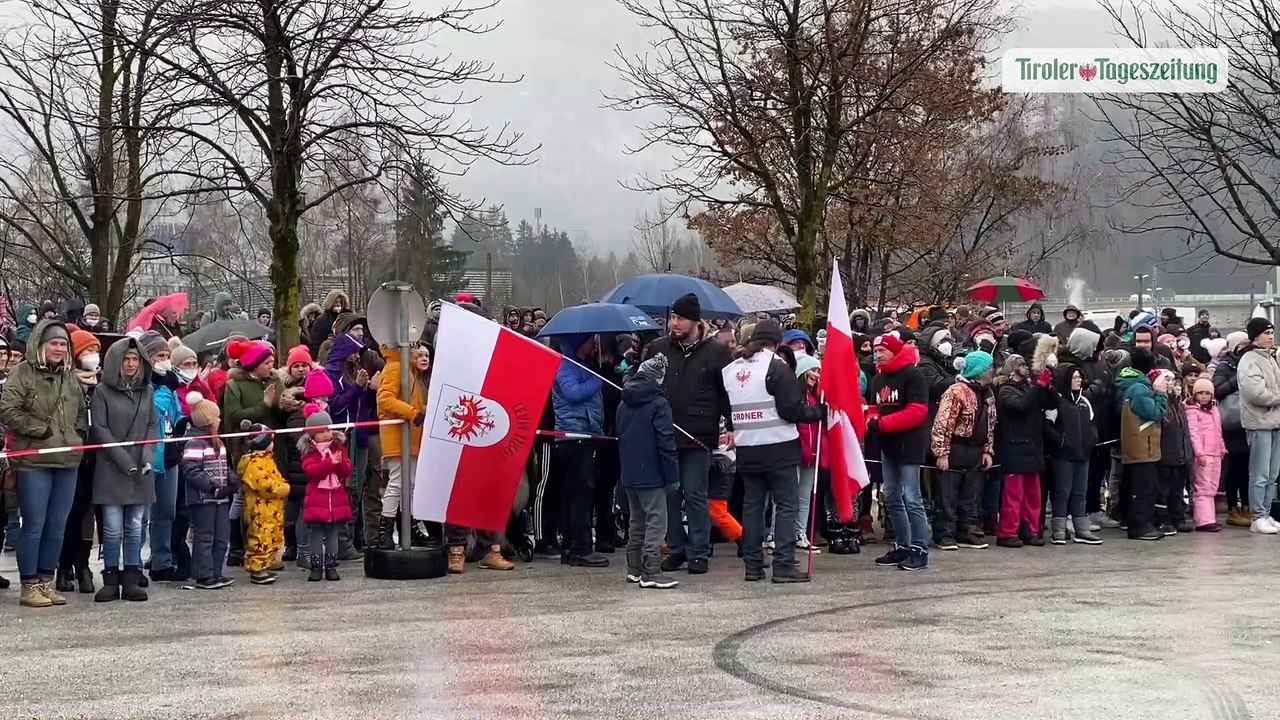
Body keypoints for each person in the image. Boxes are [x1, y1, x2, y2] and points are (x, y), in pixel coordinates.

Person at [723, 321, 825, 583]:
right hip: (779, 447)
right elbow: (792, 411)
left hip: (748, 448)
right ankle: (783, 566)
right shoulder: (777, 367)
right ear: (777, 342)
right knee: (787, 506)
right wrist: (819, 412)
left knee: (753, 507)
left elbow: (730, 410)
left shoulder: (731, 370)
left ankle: (753, 566)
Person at [642, 293, 734, 575]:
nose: (675, 323)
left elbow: (727, 392)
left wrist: (731, 424)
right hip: (664, 433)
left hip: (698, 434)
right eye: (672, 317)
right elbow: (642, 382)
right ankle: (677, 547)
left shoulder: (716, 352)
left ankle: (699, 551)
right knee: (670, 493)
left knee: (695, 493)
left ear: (695, 321)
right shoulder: (658, 347)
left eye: (680, 318)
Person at [0, 320, 87, 607]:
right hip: (34, 461)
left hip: (67, 459)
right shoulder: (21, 373)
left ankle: (46, 580)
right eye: (54, 343)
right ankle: (29, 584)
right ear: (41, 344)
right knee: (34, 524)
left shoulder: (70, 378)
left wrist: (77, 435)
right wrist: (39, 430)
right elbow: (8, 410)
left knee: (57, 524)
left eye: (63, 344)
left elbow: (80, 412)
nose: (60, 348)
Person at [89, 337, 158, 603]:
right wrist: (124, 460)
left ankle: (131, 576)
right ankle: (109, 578)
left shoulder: (147, 391)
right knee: (112, 528)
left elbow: (153, 426)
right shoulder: (102, 392)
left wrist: (147, 455)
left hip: (142, 467)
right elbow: (100, 430)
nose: (131, 364)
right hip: (111, 468)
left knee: (135, 526)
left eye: (135, 360)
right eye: (126, 359)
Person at [615, 353, 680, 589]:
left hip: (629, 472)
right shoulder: (659, 404)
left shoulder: (623, 403)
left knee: (637, 521)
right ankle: (652, 570)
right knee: (656, 520)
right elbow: (666, 441)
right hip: (652, 472)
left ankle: (633, 568)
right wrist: (672, 476)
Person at [869, 330, 931, 570]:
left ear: (894, 350)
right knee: (892, 496)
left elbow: (917, 412)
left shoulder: (913, 375)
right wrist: (871, 418)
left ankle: (919, 548)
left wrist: (882, 423)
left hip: (909, 445)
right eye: (876, 352)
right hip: (888, 445)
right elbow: (877, 406)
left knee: (912, 497)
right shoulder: (878, 379)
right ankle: (902, 545)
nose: (878, 355)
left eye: (882, 351)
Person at [552, 333, 609, 568]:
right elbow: (572, 393)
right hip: (575, 435)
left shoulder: (583, 364)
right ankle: (580, 547)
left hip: (585, 433)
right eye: (590, 340)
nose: (594, 344)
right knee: (580, 494)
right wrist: (597, 380)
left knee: (576, 493)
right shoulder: (567, 365)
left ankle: (571, 545)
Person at [929, 351, 996, 551]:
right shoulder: (956, 391)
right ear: (979, 371)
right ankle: (944, 533)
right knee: (947, 494)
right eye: (989, 368)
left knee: (971, 494)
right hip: (956, 447)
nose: (992, 371)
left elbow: (990, 424)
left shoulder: (988, 393)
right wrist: (942, 453)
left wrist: (988, 450)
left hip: (976, 449)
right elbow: (943, 423)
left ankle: (967, 531)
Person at [136, 330, 188, 581]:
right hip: (147, 456)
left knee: (166, 512)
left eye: (167, 355)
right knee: (140, 515)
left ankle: (162, 562)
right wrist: (167, 390)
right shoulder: (142, 386)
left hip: (169, 454)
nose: (165, 360)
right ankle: (133, 563)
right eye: (159, 355)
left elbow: (174, 411)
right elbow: (154, 410)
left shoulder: (170, 381)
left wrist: (182, 422)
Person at [55, 329, 102, 595]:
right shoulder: (66, 382)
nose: (92, 357)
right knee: (68, 513)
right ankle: (64, 566)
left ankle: (83, 564)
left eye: (94, 351)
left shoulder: (100, 384)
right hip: (71, 455)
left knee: (86, 514)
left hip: (94, 459)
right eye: (86, 352)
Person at [994, 350, 1056, 548]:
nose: (1025, 368)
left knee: (1033, 495)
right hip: (1015, 447)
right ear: (1012, 369)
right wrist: (1039, 387)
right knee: (1014, 495)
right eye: (1021, 365)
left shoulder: (1029, 388)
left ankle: (1030, 530)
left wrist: (1047, 386)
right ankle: (1007, 532)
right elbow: (1021, 406)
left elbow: (1053, 403)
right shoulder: (1006, 390)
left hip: (1033, 447)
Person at [375, 341, 429, 549]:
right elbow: (385, 399)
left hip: (410, 436)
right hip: (397, 436)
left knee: (412, 484)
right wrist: (413, 413)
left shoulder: (408, 371)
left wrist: (423, 410)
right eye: (415, 349)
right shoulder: (395, 368)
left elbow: (411, 403)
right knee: (396, 483)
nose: (419, 354)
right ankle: (385, 531)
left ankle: (411, 528)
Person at [181, 393, 236, 589]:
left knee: (221, 535)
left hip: (220, 499)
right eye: (217, 418)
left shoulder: (219, 443)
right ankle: (204, 574)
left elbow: (224, 466)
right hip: (203, 499)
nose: (220, 421)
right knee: (205, 536)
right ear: (210, 422)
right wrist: (211, 487)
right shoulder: (195, 443)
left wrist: (231, 480)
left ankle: (216, 571)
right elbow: (191, 470)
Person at [1046, 364, 1103, 545]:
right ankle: (1059, 530)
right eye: (1075, 377)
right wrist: (1060, 442)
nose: (1079, 381)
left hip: (1083, 454)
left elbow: (1093, 424)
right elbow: (1047, 425)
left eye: (1080, 377)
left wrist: (1091, 440)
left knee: (1080, 492)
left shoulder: (1084, 402)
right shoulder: (1057, 401)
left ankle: (1082, 529)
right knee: (1062, 492)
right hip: (1063, 455)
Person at [1117, 349, 1169, 541]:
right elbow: (1155, 412)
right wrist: (1162, 394)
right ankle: (1140, 526)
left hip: (1139, 445)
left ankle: (1138, 523)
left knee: (1138, 487)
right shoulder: (1139, 388)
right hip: (1142, 446)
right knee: (1143, 489)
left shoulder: (1134, 385)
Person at [1236, 317, 1280, 534]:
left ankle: (1267, 512)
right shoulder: (1249, 359)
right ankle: (1257, 516)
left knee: (1272, 474)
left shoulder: (1270, 358)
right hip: (1259, 423)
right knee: (1260, 473)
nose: (1270, 337)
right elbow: (1255, 393)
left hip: (1275, 423)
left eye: (1272, 333)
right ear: (1255, 336)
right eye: (1266, 333)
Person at [298, 406, 353, 581]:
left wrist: (339, 464)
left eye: (328, 429)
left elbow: (346, 471)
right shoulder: (309, 451)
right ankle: (316, 566)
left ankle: (331, 566)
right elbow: (312, 472)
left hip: (335, 498)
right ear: (312, 435)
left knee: (332, 534)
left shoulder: (338, 447)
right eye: (321, 432)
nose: (326, 434)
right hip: (317, 499)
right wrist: (329, 463)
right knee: (315, 534)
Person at [237, 421, 290, 584]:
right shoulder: (254, 463)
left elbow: (276, 477)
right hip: (260, 510)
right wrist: (283, 488)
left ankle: (266, 564)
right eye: (271, 441)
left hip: (272, 510)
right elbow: (265, 485)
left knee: (271, 536)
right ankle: (256, 568)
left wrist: (282, 484)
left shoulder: (267, 460)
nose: (273, 444)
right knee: (260, 538)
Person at [1183, 377, 1226, 532]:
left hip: (1215, 453)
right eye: (1200, 393)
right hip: (1203, 454)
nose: (1204, 396)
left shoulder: (1214, 410)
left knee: (1212, 487)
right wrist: (1199, 452)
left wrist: (1221, 448)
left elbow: (1218, 431)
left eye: (1207, 393)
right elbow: (1193, 433)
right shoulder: (1192, 411)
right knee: (1203, 487)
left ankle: (1210, 518)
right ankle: (1204, 520)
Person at [308, 290, 351, 357]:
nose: (338, 304)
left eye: (340, 302)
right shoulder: (322, 320)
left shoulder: (346, 318)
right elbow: (316, 340)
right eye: (336, 302)